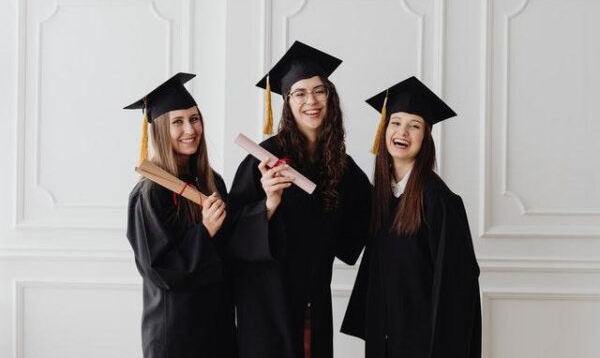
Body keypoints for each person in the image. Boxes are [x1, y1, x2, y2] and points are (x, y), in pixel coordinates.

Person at [227, 41, 372, 358]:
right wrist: (268, 203)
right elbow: (230, 235)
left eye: (319, 91)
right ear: (287, 102)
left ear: (330, 97)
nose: (312, 101)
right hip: (266, 303)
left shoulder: (341, 165)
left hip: (314, 300)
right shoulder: (263, 160)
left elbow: (362, 224)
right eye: (300, 93)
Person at [341, 76, 481, 357]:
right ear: (384, 129)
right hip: (384, 338)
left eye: (414, 125)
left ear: (426, 137)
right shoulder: (382, 196)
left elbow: (457, 287)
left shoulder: (438, 200)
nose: (402, 131)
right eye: (395, 122)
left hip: (425, 343)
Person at [124, 73, 237, 358]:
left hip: (218, 324)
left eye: (195, 118)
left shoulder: (213, 182)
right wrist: (205, 231)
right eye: (178, 122)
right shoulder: (150, 194)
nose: (190, 129)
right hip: (176, 332)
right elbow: (158, 269)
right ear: (161, 129)